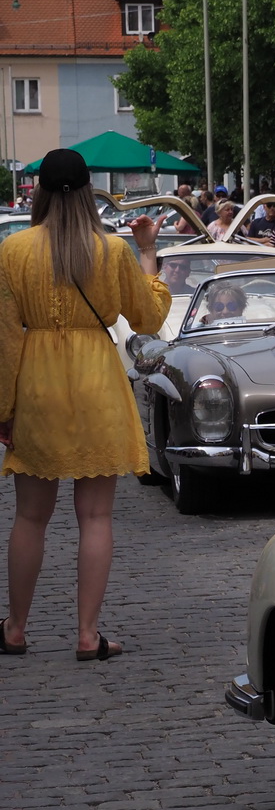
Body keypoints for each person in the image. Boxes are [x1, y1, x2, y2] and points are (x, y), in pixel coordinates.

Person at [0, 148, 170, 660]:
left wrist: (4, 407)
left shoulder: (13, 250)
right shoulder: (111, 250)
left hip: (37, 382)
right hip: (96, 381)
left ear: (42, 193)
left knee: (30, 518)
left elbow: (6, 338)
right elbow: (147, 317)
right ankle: (87, 635)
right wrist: (146, 252)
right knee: (95, 517)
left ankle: (15, 629)